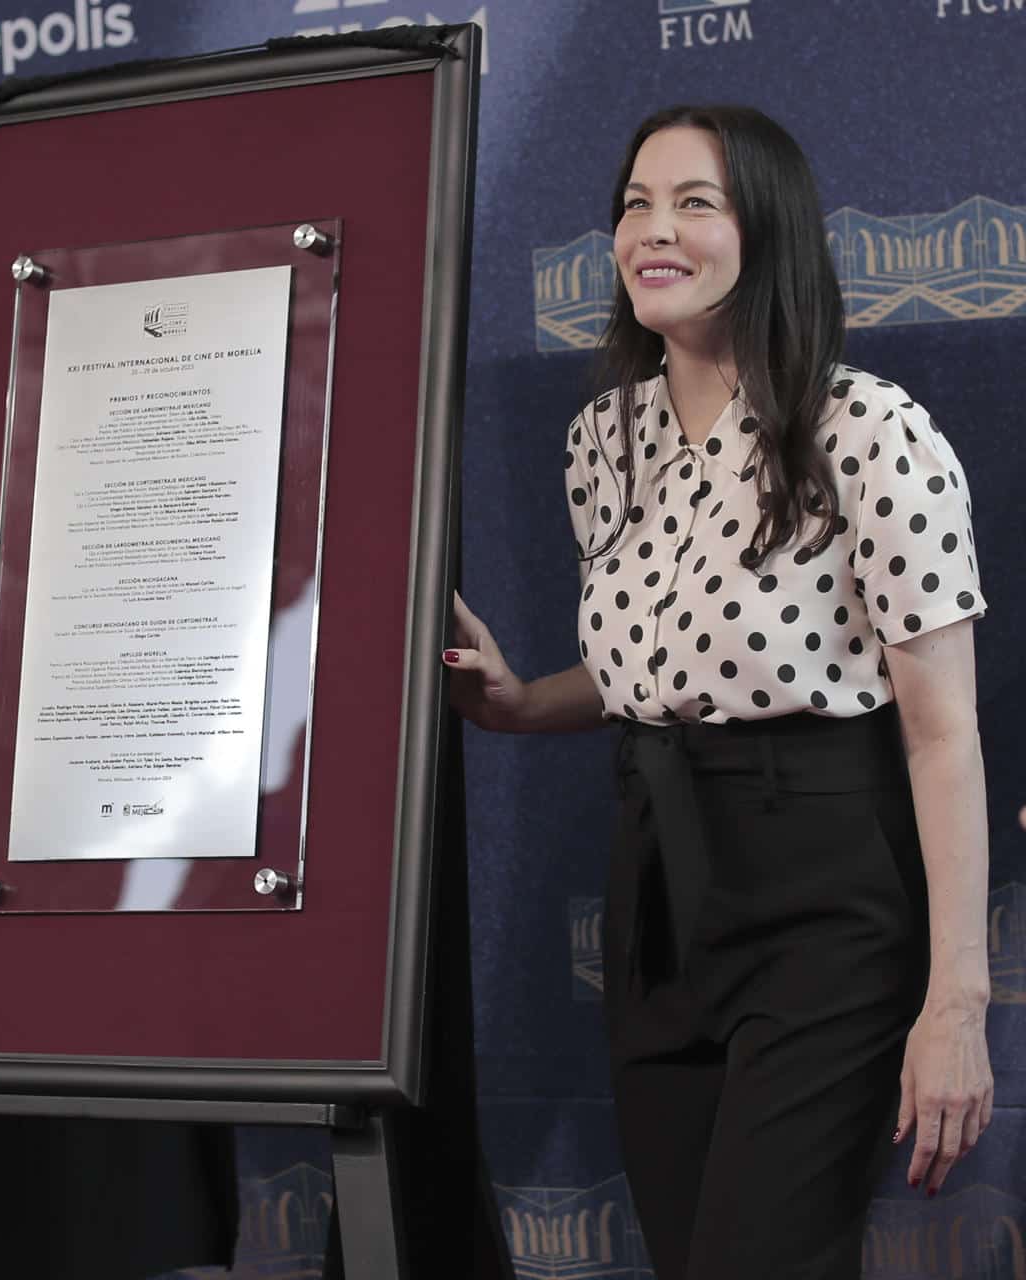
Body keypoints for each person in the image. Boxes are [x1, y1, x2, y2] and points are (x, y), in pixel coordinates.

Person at [445, 106, 992, 1278]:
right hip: (656, 895)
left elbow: (943, 732)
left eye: (696, 201)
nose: (655, 228)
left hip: (827, 899)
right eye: (636, 203)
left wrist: (957, 1003)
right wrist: (519, 701)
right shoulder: (604, 439)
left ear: (770, 229)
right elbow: (662, 669)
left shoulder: (870, 430)